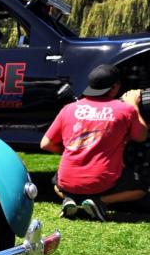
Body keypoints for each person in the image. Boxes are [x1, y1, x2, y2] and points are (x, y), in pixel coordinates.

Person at [41, 64, 148, 221]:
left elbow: (45, 144)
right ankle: (99, 202)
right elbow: (141, 136)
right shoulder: (125, 110)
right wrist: (133, 103)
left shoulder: (69, 108)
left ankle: (71, 199)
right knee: (142, 188)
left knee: (57, 183)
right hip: (103, 181)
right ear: (115, 87)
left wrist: (74, 151)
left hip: (67, 181)